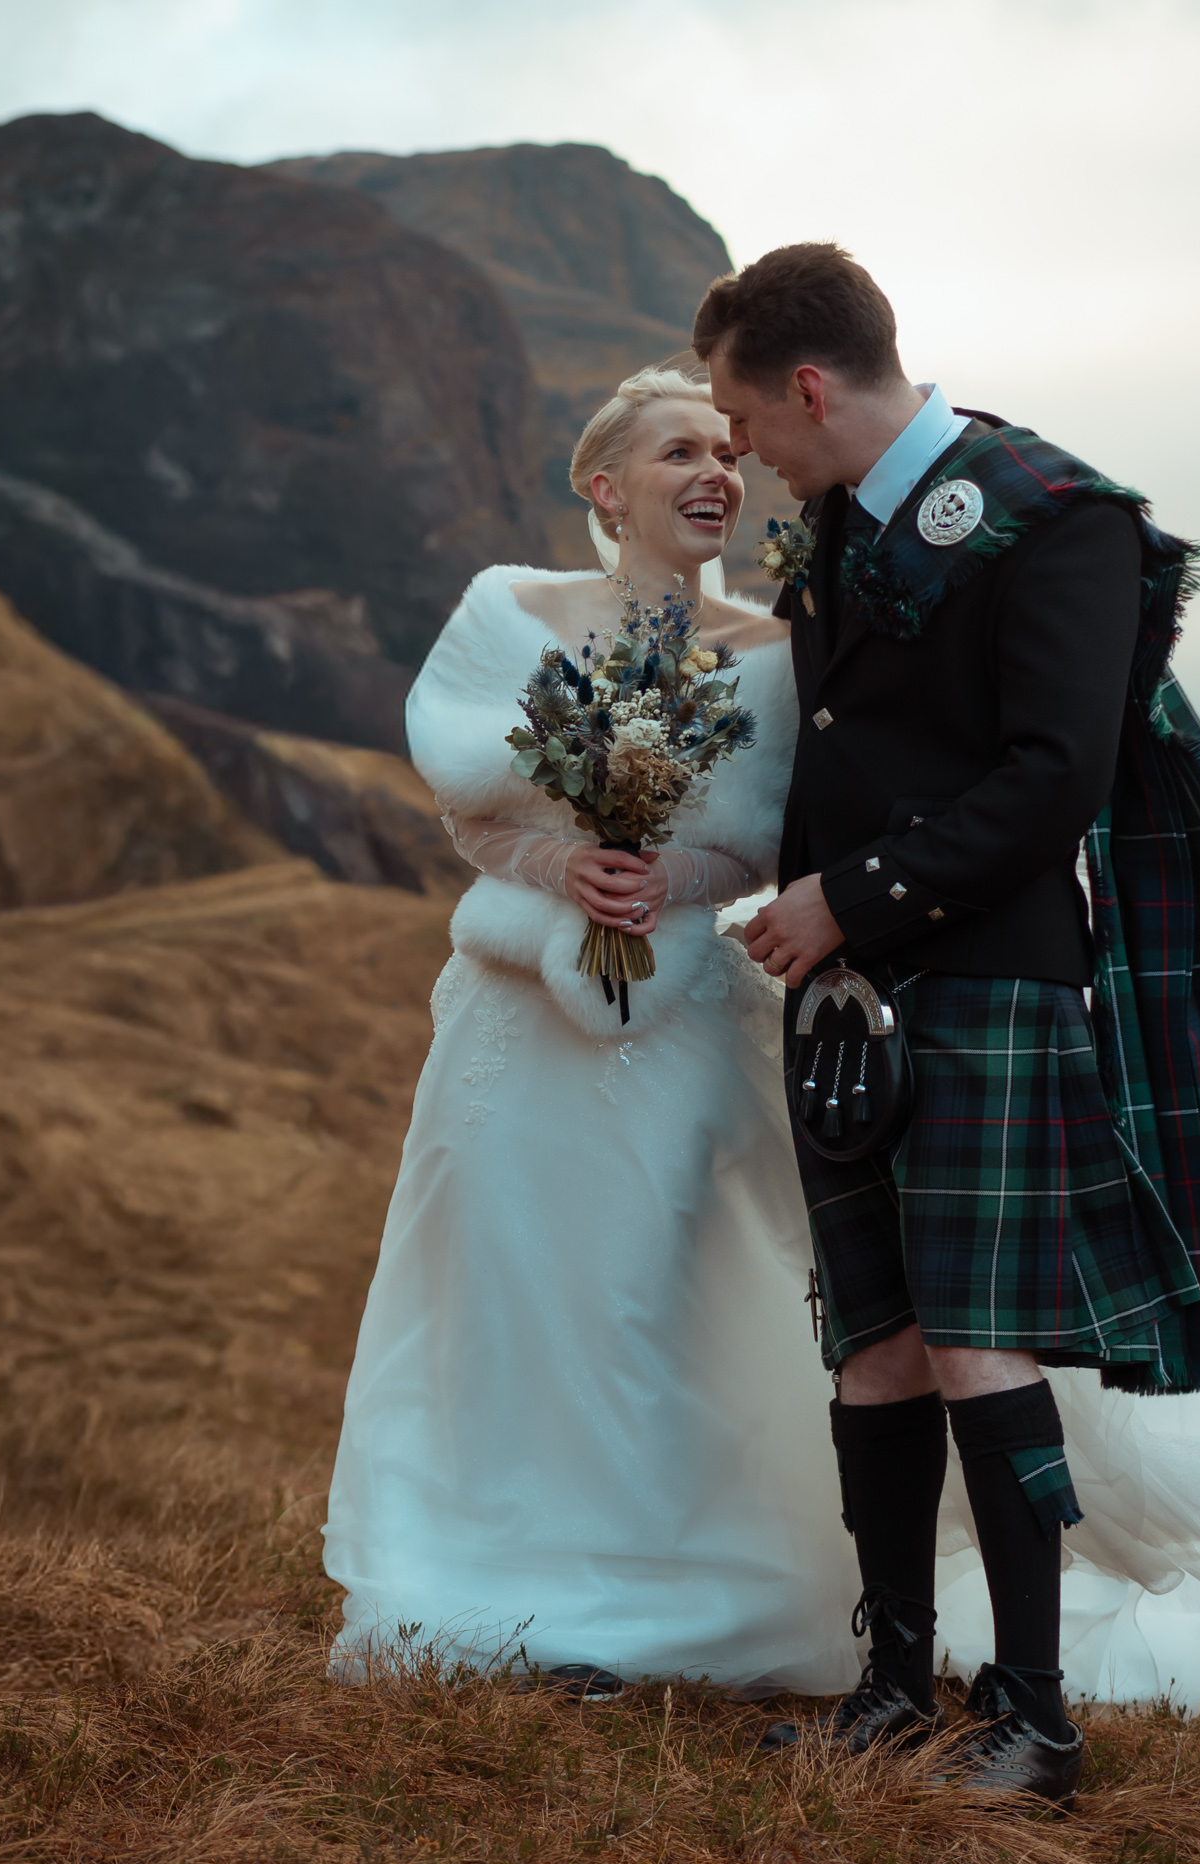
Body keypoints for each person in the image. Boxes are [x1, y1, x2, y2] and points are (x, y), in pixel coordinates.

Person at [700, 244, 1200, 1803]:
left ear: (811, 385)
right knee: (871, 1344)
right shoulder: (838, 525)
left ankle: (1035, 1720)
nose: (746, 456)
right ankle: (891, 1687)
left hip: (990, 977)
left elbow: (1052, 773)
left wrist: (846, 902)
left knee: (976, 1340)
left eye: (749, 422)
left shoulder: (1057, 519)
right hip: (849, 1000)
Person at [322, 368, 863, 1697]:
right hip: (515, 1024)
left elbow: (766, 841)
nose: (716, 474)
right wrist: (566, 869)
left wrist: (671, 881)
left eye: (730, 453)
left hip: (671, 1019)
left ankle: (661, 1598)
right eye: (681, 450)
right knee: (503, 1293)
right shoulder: (510, 609)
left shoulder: (780, 651)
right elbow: (468, 806)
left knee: (645, 1293)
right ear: (605, 488)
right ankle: (490, 1586)